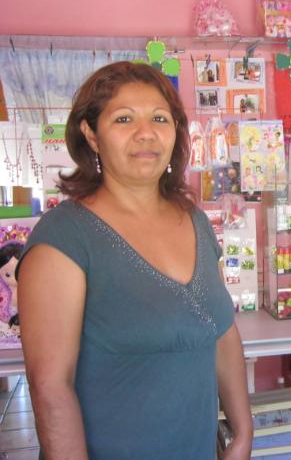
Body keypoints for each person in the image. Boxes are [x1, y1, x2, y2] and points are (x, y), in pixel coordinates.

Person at [17, 62, 252, 460]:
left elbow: (222, 332)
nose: (146, 133)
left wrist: (243, 432)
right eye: (124, 119)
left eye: (159, 118)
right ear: (91, 134)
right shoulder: (66, 237)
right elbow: (50, 387)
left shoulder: (195, 221)